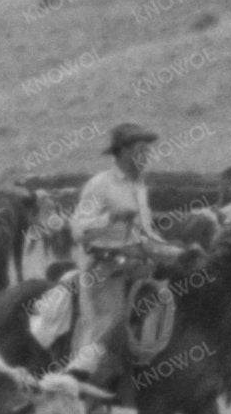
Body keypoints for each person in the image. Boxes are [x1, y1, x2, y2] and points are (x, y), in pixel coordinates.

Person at [64, 123, 164, 383]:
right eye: (140, 150)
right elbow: (79, 230)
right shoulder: (100, 185)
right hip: (103, 269)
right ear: (121, 153)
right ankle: (84, 381)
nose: (146, 157)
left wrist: (176, 250)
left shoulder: (140, 187)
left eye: (148, 151)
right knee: (111, 321)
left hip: (138, 265)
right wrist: (111, 218)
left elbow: (148, 233)